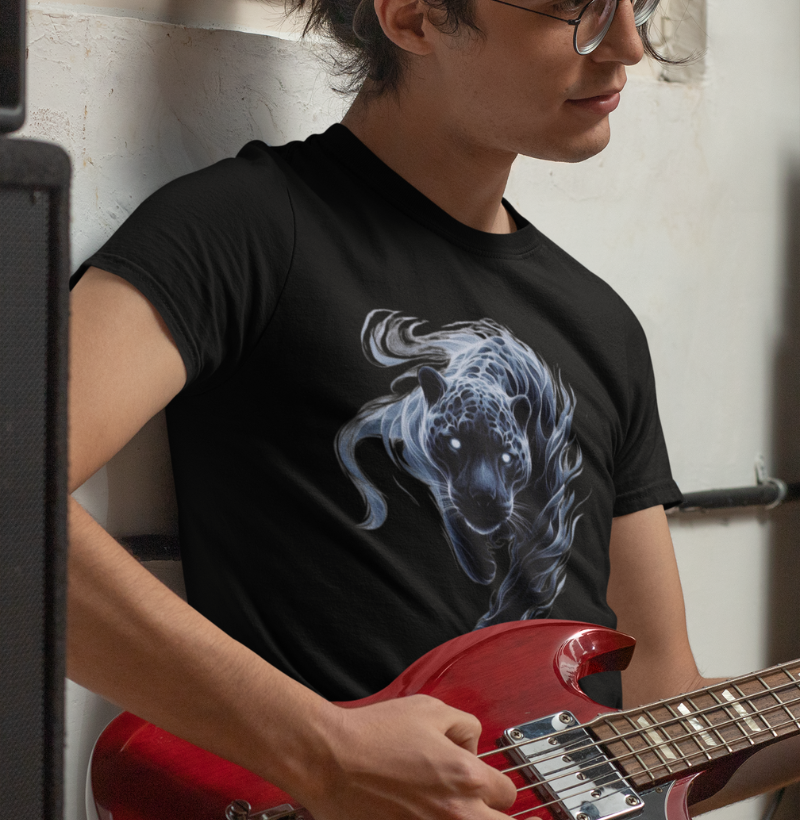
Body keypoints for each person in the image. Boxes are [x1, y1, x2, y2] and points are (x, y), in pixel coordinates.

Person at [67, 0, 800, 817]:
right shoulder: (243, 229)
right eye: (579, 10)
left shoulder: (600, 325)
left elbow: (659, 699)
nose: (628, 45)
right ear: (414, 18)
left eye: (640, 3)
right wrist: (323, 752)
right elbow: (14, 504)